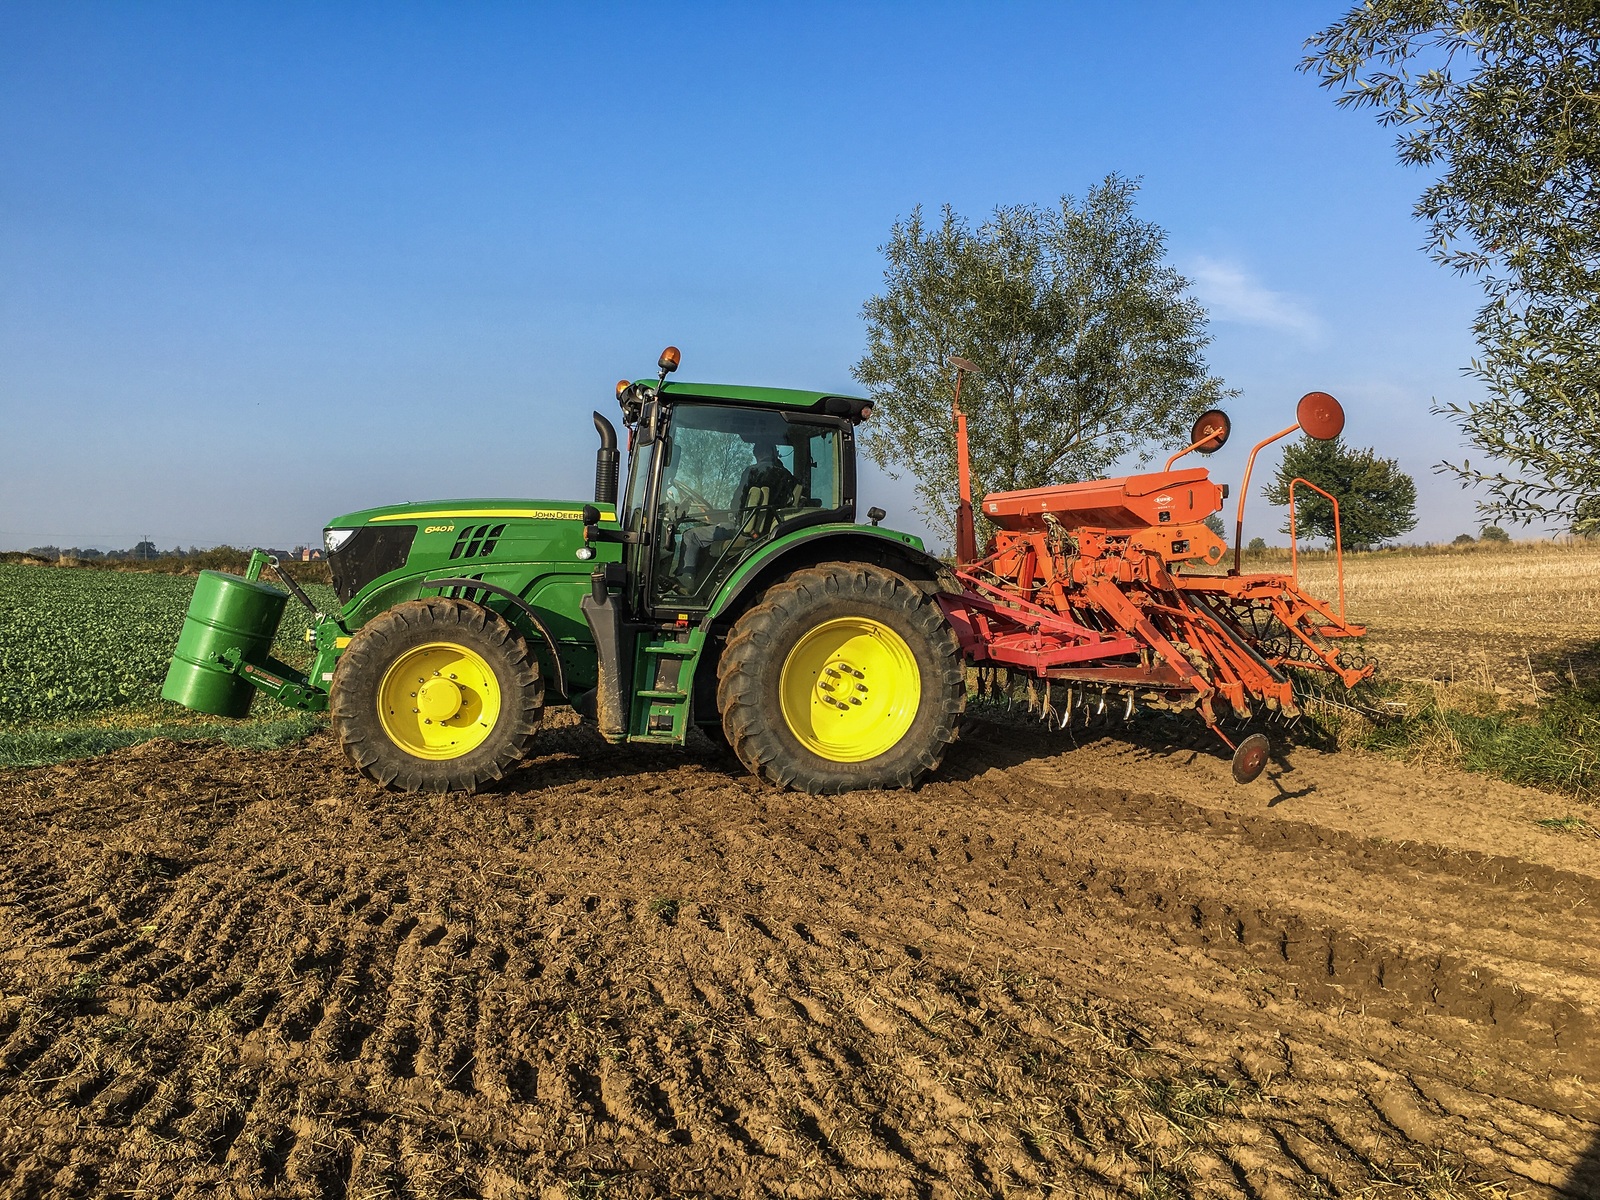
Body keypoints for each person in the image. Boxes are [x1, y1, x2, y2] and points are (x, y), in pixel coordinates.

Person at [672, 434, 797, 593]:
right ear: (774, 452)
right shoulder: (787, 476)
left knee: (691, 535)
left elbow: (737, 505)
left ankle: (686, 581)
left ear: (757, 454)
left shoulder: (752, 471)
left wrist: (724, 516)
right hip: (768, 528)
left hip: (743, 528)